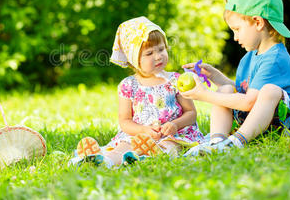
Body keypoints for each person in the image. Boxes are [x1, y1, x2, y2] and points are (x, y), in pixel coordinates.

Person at [181, 0, 290, 154]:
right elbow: (242, 91)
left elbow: (249, 102)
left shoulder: (275, 59)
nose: (235, 37)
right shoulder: (249, 58)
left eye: (237, 29)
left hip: (288, 124)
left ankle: (235, 142)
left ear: (257, 22)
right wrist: (213, 75)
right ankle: (217, 143)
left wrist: (204, 95)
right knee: (226, 89)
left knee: (270, 90)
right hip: (259, 122)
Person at [70, 16, 203, 167]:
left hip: (172, 134)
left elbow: (191, 113)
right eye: (149, 53)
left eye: (161, 49)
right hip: (140, 135)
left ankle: (150, 157)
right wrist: (142, 130)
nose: (158, 56)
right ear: (134, 60)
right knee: (123, 146)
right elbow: (125, 121)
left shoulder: (175, 80)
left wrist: (175, 125)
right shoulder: (128, 85)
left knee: (171, 146)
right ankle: (104, 160)